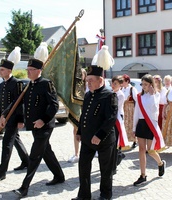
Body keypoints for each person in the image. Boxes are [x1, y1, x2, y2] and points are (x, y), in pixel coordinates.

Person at [0, 43, 65, 197]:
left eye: (31, 70)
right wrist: (4, 114)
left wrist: (43, 120)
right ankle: (59, 175)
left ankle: (24, 187)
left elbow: (54, 105)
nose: (28, 72)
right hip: (35, 126)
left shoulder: (46, 84)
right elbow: (17, 102)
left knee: (35, 156)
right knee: (46, 151)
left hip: (45, 126)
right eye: (27, 70)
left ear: (39, 71)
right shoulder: (29, 85)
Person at [72, 45, 117, 200]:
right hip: (87, 139)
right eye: (87, 80)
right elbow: (84, 115)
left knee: (105, 170)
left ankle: (105, 195)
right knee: (83, 167)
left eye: (91, 80)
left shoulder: (109, 95)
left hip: (103, 140)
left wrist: (99, 135)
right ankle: (84, 195)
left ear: (101, 80)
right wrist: (79, 132)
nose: (88, 83)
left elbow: (111, 119)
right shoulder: (88, 95)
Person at [0, 47, 29, 184]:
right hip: (5, 118)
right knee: (15, 139)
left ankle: (1, 173)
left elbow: (19, 103)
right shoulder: (1, 85)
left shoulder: (17, 83)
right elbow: (1, 103)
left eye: (2, 70)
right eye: (0, 70)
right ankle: (26, 161)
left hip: (13, 118)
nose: (0, 72)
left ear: (9, 71)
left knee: (7, 144)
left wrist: (20, 120)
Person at [132, 74, 166, 186]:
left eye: (146, 84)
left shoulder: (156, 95)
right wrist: (133, 128)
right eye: (142, 84)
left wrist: (151, 95)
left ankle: (160, 163)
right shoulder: (139, 96)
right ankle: (143, 175)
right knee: (141, 149)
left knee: (151, 150)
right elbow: (136, 112)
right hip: (141, 124)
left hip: (151, 124)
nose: (143, 86)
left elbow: (154, 111)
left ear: (151, 85)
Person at [68, 68, 87, 163]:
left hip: (86, 113)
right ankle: (76, 153)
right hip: (77, 113)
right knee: (75, 131)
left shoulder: (88, 87)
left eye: (81, 74)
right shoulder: (74, 88)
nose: (79, 76)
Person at [111, 75, 129, 174]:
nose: (113, 85)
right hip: (113, 117)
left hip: (117, 118)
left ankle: (114, 164)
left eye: (115, 84)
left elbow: (115, 107)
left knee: (116, 142)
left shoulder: (120, 95)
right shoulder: (112, 93)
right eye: (112, 83)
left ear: (120, 84)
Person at [121, 74, 138, 148]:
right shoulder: (121, 89)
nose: (122, 83)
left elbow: (137, 100)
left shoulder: (132, 89)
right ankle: (124, 139)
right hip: (123, 107)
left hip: (130, 108)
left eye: (123, 81)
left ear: (127, 81)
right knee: (124, 123)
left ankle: (134, 140)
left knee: (131, 123)